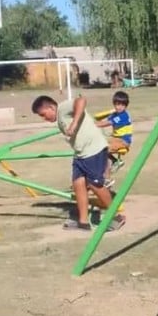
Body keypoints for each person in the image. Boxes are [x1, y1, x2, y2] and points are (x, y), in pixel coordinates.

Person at [31, 94, 125, 232]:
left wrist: (74, 123)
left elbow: (82, 100)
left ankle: (116, 216)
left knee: (95, 184)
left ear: (51, 107)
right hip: (80, 154)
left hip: (94, 150)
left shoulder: (63, 108)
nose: (44, 119)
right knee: (78, 184)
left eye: (43, 114)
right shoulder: (59, 118)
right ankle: (83, 222)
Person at [95, 90, 133, 187]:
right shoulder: (115, 114)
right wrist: (110, 112)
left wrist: (90, 125)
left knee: (103, 149)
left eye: (121, 105)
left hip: (123, 141)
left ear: (125, 106)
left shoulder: (123, 116)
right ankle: (115, 162)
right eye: (116, 104)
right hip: (115, 139)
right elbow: (98, 117)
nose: (118, 107)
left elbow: (106, 123)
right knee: (97, 145)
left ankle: (107, 178)